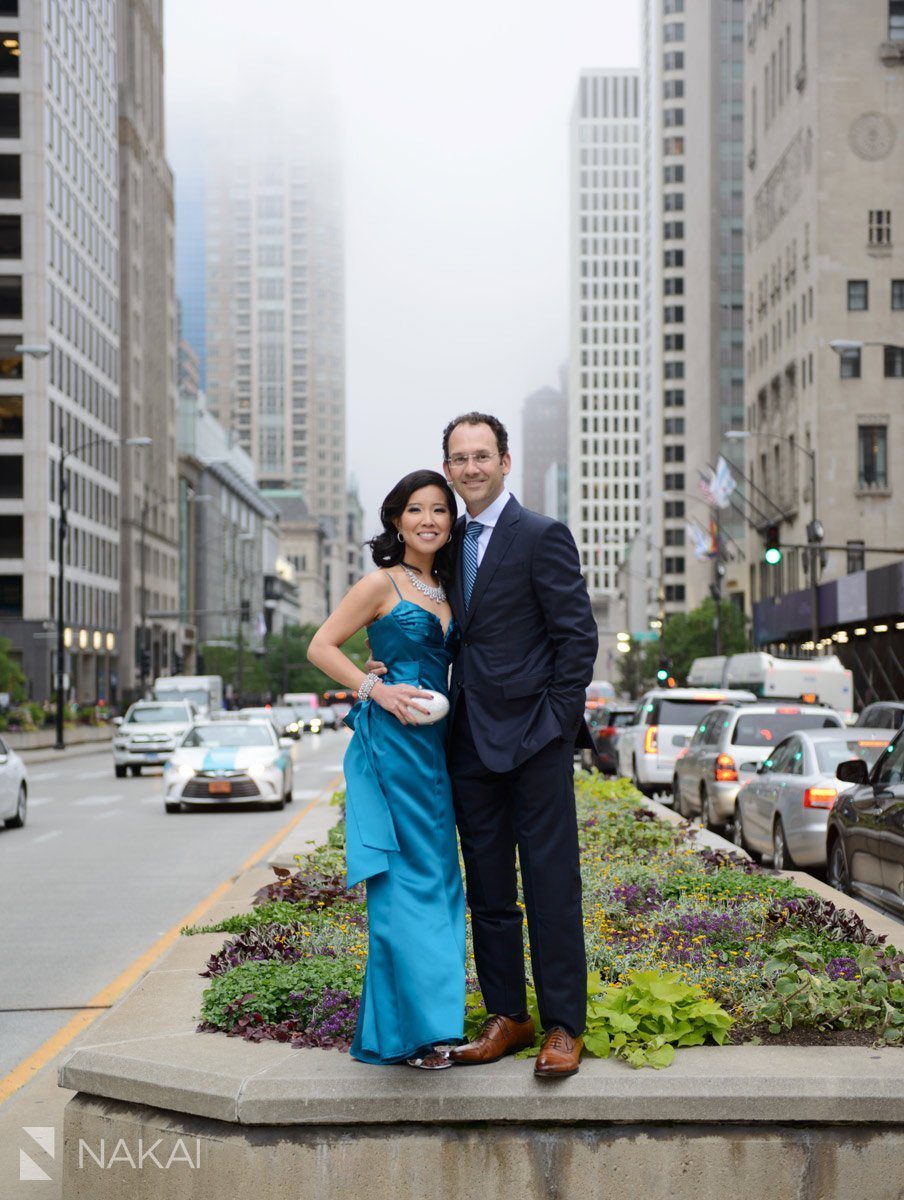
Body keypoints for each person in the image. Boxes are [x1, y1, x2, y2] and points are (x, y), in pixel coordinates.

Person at [368, 414, 598, 1078]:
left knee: (552, 887)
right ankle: (510, 1016)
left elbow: (576, 640)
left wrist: (553, 726)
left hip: (535, 743)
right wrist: (382, 665)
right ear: (448, 465)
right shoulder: (447, 540)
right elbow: (411, 609)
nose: (470, 469)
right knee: (491, 892)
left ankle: (562, 1025)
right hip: (466, 743)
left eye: (480, 457)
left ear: (504, 460)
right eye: (457, 459)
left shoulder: (542, 536)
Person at [307, 469, 465, 1070]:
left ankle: (428, 1022)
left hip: (439, 748)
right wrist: (374, 687)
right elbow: (321, 646)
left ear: (451, 524)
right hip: (393, 746)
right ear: (396, 520)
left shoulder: (450, 587)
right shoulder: (380, 583)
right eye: (416, 509)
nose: (429, 520)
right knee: (406, 882)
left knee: (443, 881)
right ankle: (415, 1034)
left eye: (440, 511)